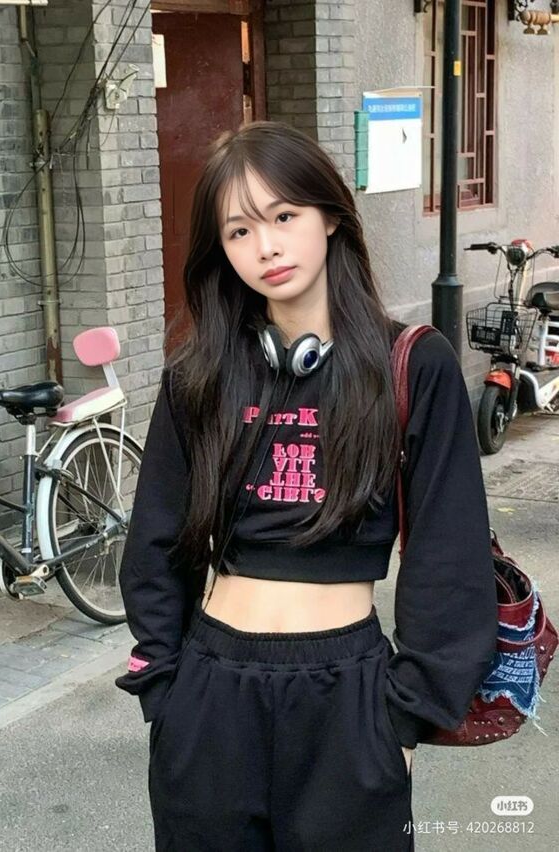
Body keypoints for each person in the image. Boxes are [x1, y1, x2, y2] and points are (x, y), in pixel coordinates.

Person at [115, 120, 498, 851]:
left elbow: (449, 559)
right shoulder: (199, 376)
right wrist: (165, 688)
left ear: (329, 216)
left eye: (284, 216)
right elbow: (156, 541)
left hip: (348, 699)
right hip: (210, 694)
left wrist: (404, 720)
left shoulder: (412, 366)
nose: (265, 247)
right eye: (239, 231)